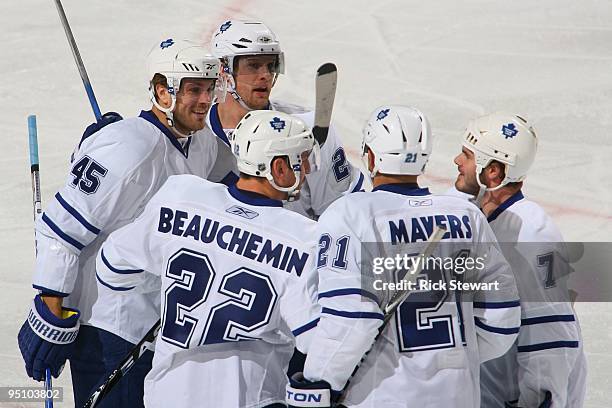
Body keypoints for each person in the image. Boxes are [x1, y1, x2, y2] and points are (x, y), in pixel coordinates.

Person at [17, 38, 221, 407]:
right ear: (162, 91)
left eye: (209, 89)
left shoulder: (200, 141)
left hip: (155, 328)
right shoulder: (129, 148)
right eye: (194, 90)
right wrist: (51, 310)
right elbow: (60, 229)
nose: (205, 100)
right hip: (108, 332)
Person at [286, 105, 521, 407]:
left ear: (370, 156)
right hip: (458, 395)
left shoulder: (352, 213)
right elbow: (502, 318)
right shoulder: (466, 215)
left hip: (383, 396)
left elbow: (353, 316)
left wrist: (321, 382)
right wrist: (454, 354)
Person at [95, 110, 321, 407]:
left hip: (167, 394)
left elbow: (112, 266)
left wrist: (179, 307)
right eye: (301, 159)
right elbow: (317, 340)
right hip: (249, 398)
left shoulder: (182, 194)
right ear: (278, 168)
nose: (306, 169)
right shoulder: (304, 236)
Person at [453, 112, 587, 407]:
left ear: (493, 173)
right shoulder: (483, 216)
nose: (457, 161)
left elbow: (552, 331)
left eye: (467, 155)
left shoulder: (530, 234)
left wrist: (540, 399)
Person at [207, 19, 365, 219]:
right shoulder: (196, 135)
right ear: (223, 71)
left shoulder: (308, 128)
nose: (265, 75)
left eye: (270, 65)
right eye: (253, 66)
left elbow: (344, 214)